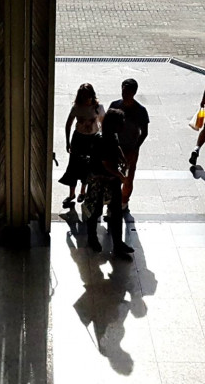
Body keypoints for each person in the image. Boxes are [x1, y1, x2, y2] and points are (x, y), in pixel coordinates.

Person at [82, 108, 135, 259]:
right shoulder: (102, 139)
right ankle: (92, 238)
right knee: (95, 210)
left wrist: (122, 157)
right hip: (100, 180)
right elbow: (106, 164)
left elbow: (117, 147)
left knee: (116, 213)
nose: (123, 125)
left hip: (112, 180)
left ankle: (118, 244)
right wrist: (121, 176)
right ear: (114, 124)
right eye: (121, 122)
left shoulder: (113, 135)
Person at [59, 83, 104, 209]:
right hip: (78, 138)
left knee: (88, 167)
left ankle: (83, 191)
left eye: (88, 96)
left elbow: (103, 123)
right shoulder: (77, 107)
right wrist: (67, 142)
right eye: (84, 97)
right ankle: (71, 194)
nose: (86, 99)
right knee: (73, 166)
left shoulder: (98, 107)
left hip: (93, 139)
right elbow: (68, 124)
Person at [108, 78, 149, 213]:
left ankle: (124, 202)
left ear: (134, 92)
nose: (124, 94)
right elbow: (107, 125)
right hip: (114, 147)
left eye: (127, 91)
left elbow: (144, 132)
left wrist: (135, 149)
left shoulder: (141, 110)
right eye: (123, 90)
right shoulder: (115, 105)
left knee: (128, 178)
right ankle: (111, 202)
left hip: (131, 149)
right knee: (113, 176)